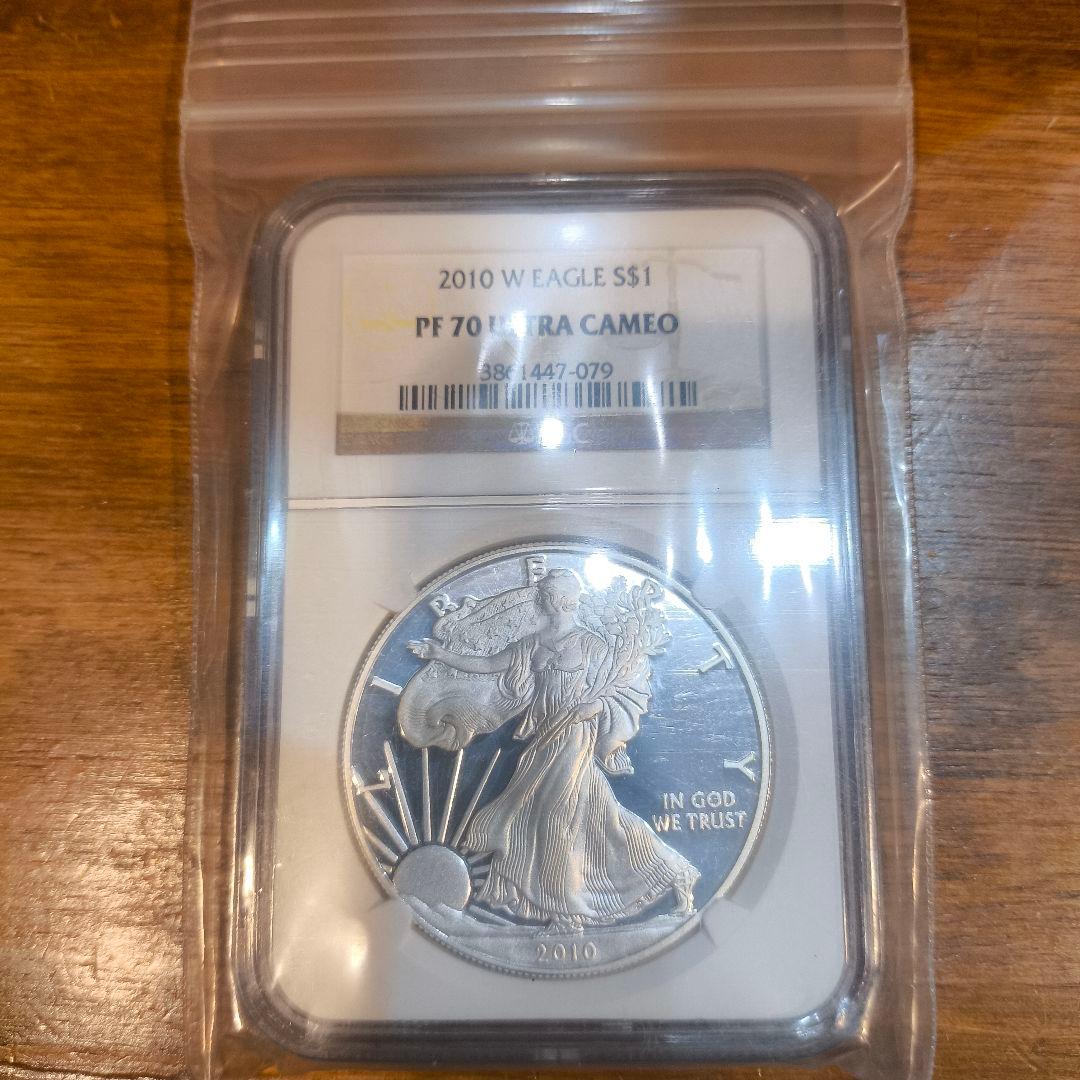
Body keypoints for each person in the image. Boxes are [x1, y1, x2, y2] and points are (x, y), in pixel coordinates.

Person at [408, 569, 698, 930]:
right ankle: (675, 872)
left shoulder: (592, 646)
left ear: (562, 600)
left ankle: (568, 911)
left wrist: (594, 706)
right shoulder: (533, 643)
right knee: (601, 819)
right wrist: (440, 653)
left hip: (575, 736)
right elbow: (488, 665)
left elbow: (622, 689)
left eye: (547, 595)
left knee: (555, 816)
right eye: (543, 594)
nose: (542, 600)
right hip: (546, 736)